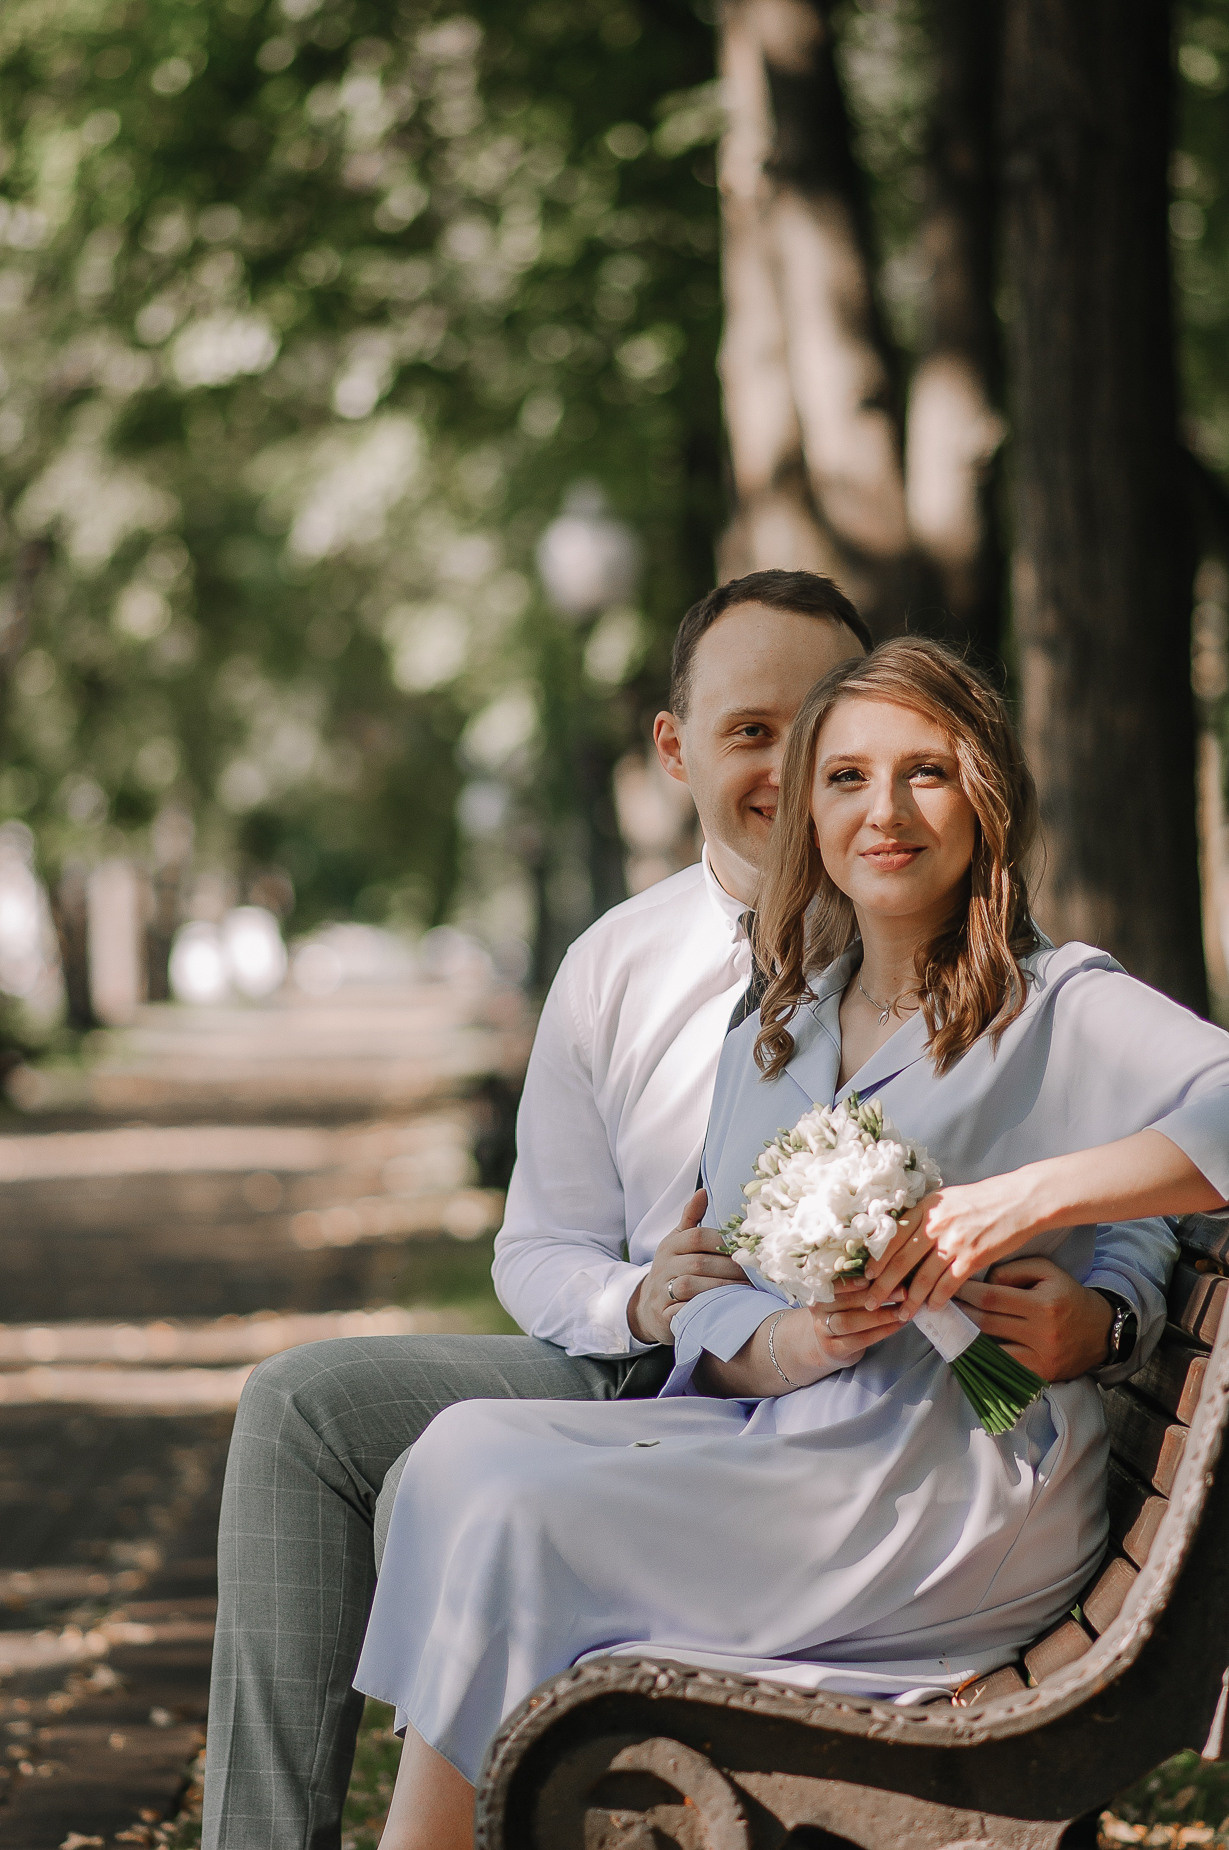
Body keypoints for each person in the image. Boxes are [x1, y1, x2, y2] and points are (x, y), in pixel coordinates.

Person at [203, 581, 1134, 1849]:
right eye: (757, 730)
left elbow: (1114, 1165)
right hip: (632, 1365)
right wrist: (636, 1298)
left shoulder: (957, 949)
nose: (800, 765)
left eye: (828, 728)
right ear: (674, 748)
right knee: (304, 1406)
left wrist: (1109, 1309)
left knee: (486, 1483)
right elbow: (535, 1244)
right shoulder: (615, 963)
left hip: (862, 1427)